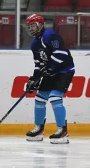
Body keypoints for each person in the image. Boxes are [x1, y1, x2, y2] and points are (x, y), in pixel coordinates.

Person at [24, 14, 75, 144]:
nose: (31, 28)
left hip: (64, 70)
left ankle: (62, 131)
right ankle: (39, 129)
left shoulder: (50, 36)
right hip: (51, 72)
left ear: (40, 24)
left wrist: (50, 68)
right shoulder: (34, 44)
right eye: (29, 26)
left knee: (54, 97)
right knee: (39, 98)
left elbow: (61, 54)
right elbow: (38, 64)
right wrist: (33, 79)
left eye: (33, 25)